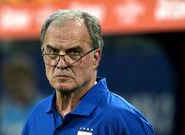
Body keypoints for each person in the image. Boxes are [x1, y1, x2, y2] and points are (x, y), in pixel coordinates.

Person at [22, 10, 154, 135]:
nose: (61, 64)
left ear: (95, 58)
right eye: (52, 52)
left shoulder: (123, 119)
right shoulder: (37, 116)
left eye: (74, 52)